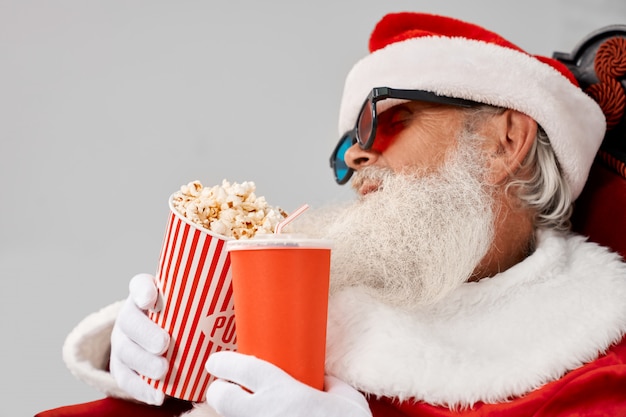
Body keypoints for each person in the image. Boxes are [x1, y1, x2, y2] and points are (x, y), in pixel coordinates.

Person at [55, 11, 626, 417]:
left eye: (387, 119)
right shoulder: (310, 311)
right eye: (344, 147)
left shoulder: (602, 376)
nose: (355, 158)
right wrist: (157, 366)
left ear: (506, 141)